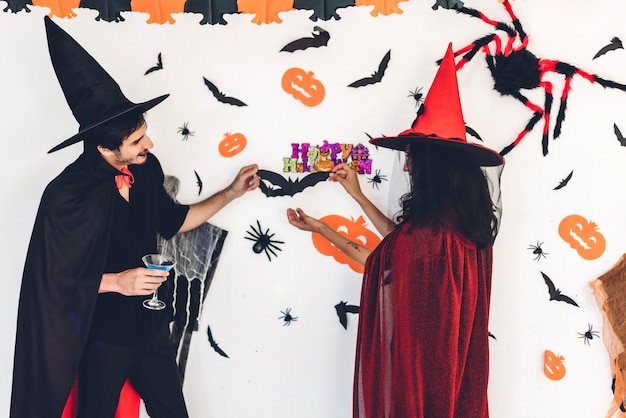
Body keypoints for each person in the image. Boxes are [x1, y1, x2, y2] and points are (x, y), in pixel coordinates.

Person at [10, 17, 259, 418]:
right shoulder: (65, 195)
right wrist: (116, 282)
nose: (150, 144)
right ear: (106, 149)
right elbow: (50, 283)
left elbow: (173, 222)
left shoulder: (146, 168)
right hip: (102, 338)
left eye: (145, 133)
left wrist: (231, 192)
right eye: (137, 141)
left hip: (150, 330)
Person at [287, 43, 504, 417]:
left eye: (411, 160)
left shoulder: (431, 236)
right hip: (455, 380)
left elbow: (380, 258)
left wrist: (324, 231)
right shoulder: (466, 228)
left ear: (431, 167)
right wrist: (356, 198)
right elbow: (398, 247)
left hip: (423, 382)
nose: (406, 169)